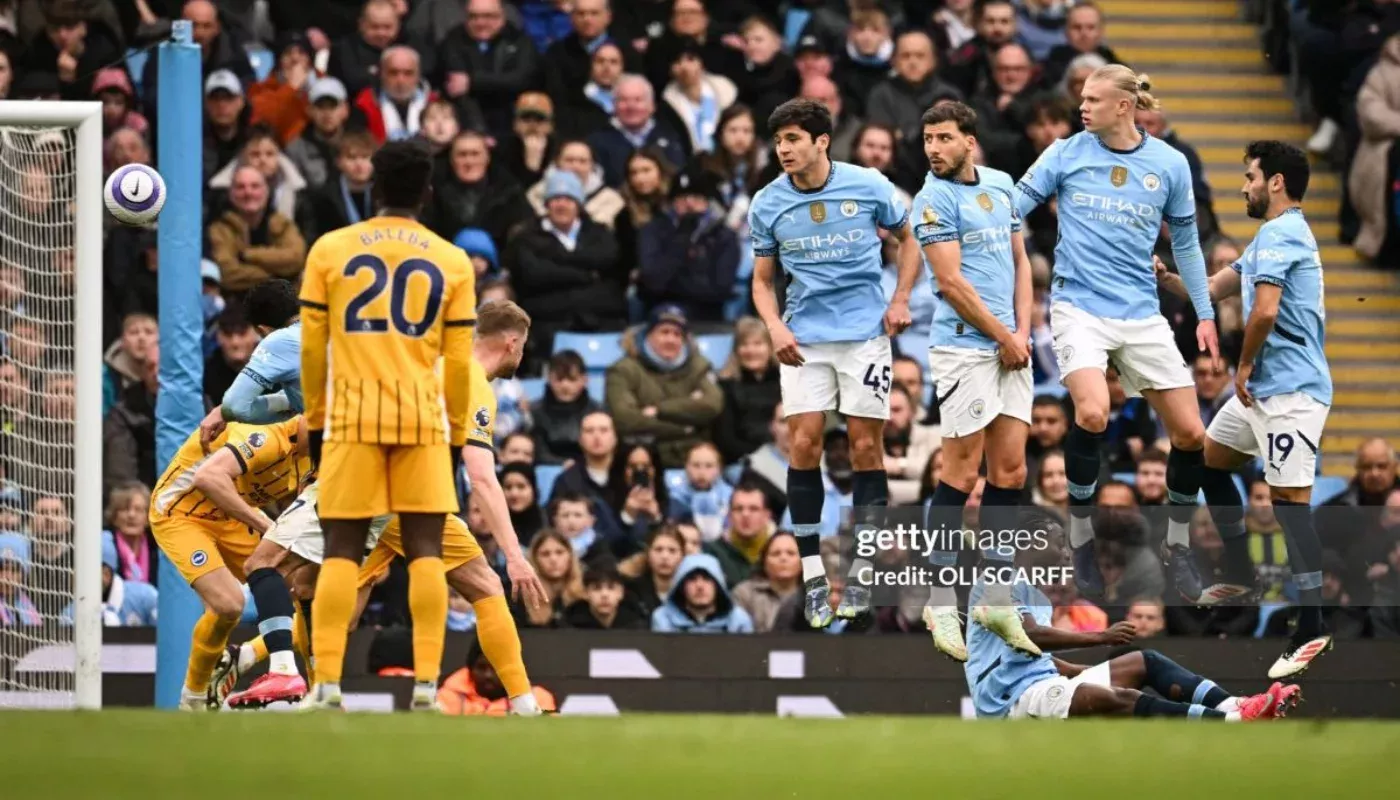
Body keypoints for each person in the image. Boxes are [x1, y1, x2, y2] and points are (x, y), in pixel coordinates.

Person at [1013, 64, 1219, 603]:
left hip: (1141, 314)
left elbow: (1190, 247)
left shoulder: (1169, 164)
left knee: (1192, 436)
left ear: (1124, 107)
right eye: (1081, 98)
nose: (1082, 108)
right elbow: (1013, 208)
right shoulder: (1065, 152)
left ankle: (1177, 547)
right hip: (1078, 306)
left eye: (1094, 100)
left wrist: (1204, 313)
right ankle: (1080, 535)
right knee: (1092, 413)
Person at [298, 140, 477, 711]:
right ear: (427, 192)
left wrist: (318, 420)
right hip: (422, 416)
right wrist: (453, 432)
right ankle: (427, 684)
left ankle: (325, 683)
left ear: (374, 189)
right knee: (426, 549)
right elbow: (459, 363)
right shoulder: (452, 260)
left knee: (340, 549)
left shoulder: (331, 248)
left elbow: (312, 347)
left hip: (351, 415)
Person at [1157, 141, 1334, 680]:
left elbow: (1264, 311)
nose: (1243, 186)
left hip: (1291, 395)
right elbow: (1212, 289)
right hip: (1263, 393)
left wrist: (1243, 366)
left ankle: (1312, 624)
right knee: (1209, 459)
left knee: (1289, 505)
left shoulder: (1283, 234)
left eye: (1250, 176)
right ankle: (1238, 567)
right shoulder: (1266, 240)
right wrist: (1165, 278)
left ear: (1276, 182)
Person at [748, 98, 920, 628]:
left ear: (822, 141)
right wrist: (774, 326)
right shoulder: (767, 203)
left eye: (794, 139)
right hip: (805, 340)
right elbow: (760, 280)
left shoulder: (868, 184)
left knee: (867, 447)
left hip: (865, 337)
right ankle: (813, 573)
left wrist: (900, 299)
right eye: (779, 141)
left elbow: (909, 239)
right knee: (803, 443)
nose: (784, 149)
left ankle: (864, 569)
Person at [962, 511, 1298, 721]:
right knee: (1111, 698)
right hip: (1010, 703)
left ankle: (1236, 706)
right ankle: (1231, 722)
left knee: (1142, 662)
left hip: (1038, 684)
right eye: (1059, 542)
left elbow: (1034, 657)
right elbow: (1029, 636)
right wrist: (1100, 637)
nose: (1066, 552)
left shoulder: (1034, 594)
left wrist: (1084, 670)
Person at [910, 101, 1035, 662]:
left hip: (1011, 346)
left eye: (943, 138)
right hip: (963, 347)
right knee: (960, 472)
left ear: (970, 140)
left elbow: (1021, 261)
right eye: (927, 139)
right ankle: (939, 599)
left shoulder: (1003, 184)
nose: (933, 148)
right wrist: (1004, 337)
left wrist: (1023, 332)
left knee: (1011, 470)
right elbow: (952, 282)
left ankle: (997, 598)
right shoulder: (931, 198)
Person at [148, 417, 310, 710]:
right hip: (182, 512)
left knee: (309, 594)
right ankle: (194, 698)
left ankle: (247, 658)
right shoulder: (267, 435)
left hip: (231, 514)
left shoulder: (319, 454)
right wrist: (267, 526)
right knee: (228, 604)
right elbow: (208, 478)